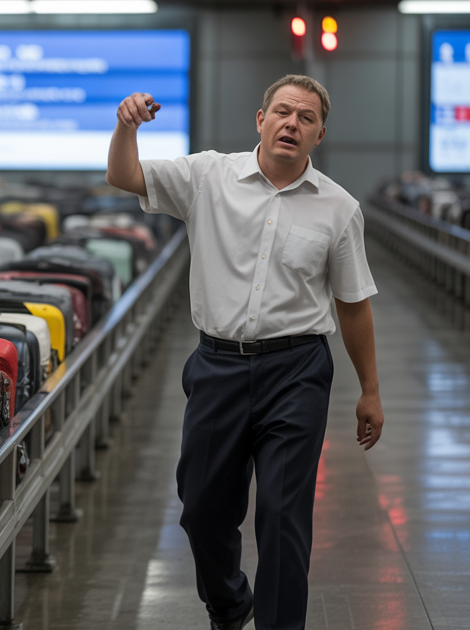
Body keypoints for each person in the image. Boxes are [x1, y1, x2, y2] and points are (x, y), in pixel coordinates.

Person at [106, 75, 385, 630]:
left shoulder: (339, 208)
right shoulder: (209, 176)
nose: (291, 124)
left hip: (297, 370)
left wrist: (370, 391)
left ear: (319, 134)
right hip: (217, 366)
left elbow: (353, 304)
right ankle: (230, 604)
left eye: (306, 118)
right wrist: (126, 126)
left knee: (283, 517)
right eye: (282, 112)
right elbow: (124, 175)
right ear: (261, 120)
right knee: (202, 509)